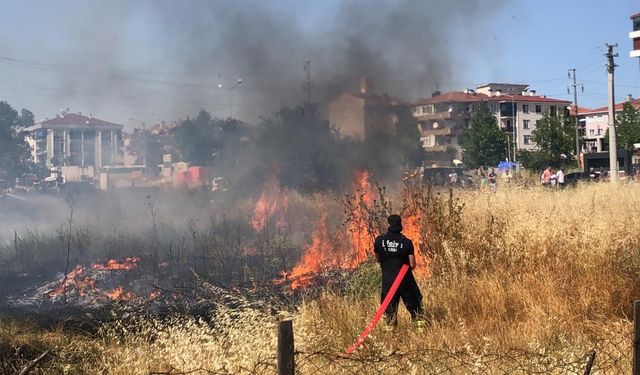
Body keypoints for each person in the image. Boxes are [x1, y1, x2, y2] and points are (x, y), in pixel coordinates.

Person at [374, 214, 425, 328]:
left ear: (389, 224)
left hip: (388, 283)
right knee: (415, 307)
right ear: (400, 225)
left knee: (389, 311)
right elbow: (412, 264)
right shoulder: (406, 242)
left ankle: (391, 337)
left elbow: (378, 259)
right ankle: (420, 331)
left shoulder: (379, 240)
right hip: (405, 282)